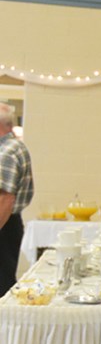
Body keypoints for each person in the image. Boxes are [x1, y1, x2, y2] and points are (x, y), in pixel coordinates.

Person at [0, 103, 33, 296]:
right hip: (8, 224)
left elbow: (5, 199)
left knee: (2, 282)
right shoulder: (12, 147)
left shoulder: (7, 152)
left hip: (4, 225)